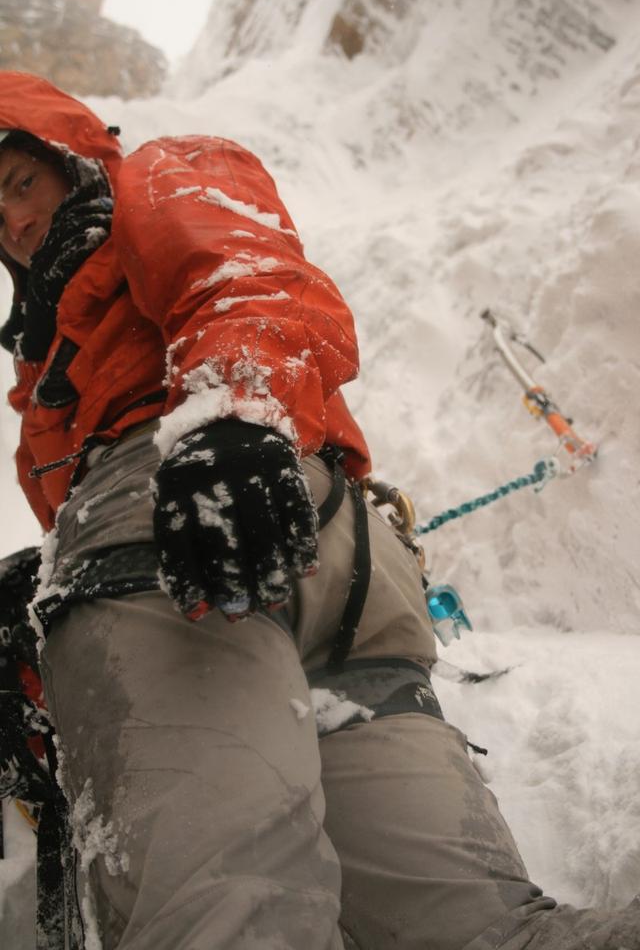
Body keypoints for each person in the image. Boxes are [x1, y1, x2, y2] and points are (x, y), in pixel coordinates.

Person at [0, 71, 638, 950]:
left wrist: (230, 409)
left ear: (71, 159)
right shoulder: (43, 373)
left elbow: (242, 273)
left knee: (223, 920)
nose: (17, 224)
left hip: (185, 547)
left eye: (19, 183)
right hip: (332, 568)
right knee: (480, 931)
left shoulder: (151, 179)